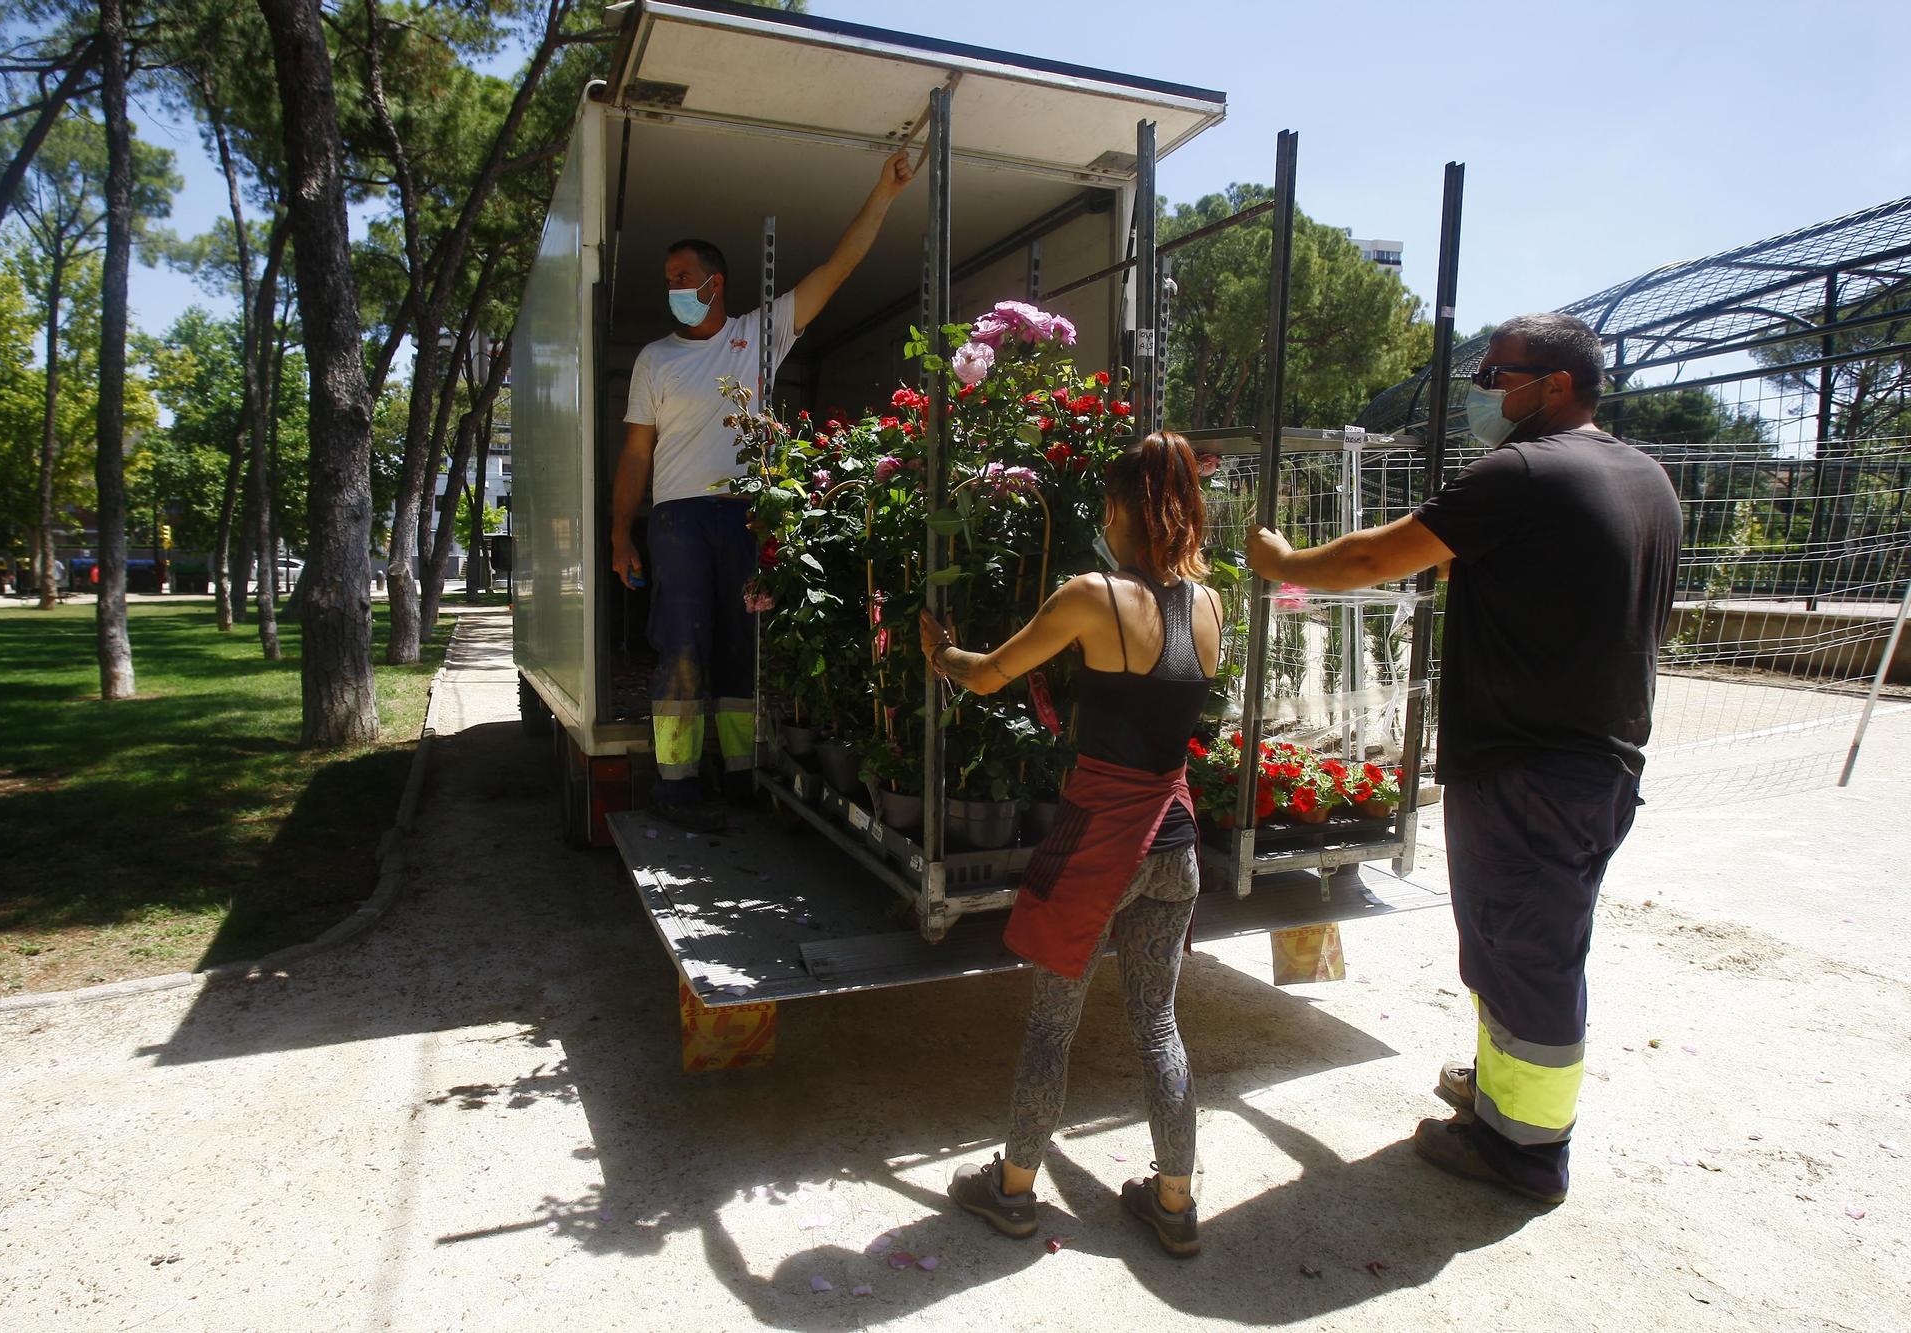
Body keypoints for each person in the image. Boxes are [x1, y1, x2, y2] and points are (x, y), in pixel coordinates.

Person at [1244, 312, 1682, 1205]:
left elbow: (1376, 554)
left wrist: (1284, 559)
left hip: (1530, 767)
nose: (1484, 389)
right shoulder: (1647, 478)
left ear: (1555, 384)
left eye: (1496, 372)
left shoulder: (1524, 471)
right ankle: (1499, 1092)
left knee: (1526, 953)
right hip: (1600, 764)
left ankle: (1522, 1151)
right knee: (1520, 939)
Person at [921, 432, 1224, 1258]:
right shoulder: (1208, 603)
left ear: (1122, 507)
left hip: (1103, 844)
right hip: (1178, 838)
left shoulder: (1092, 594)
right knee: (1159, 1022)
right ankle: (1174, 1200)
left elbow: (987, 674)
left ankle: (1013, 1190)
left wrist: (939, 651)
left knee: (1053, 1027)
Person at [611, 149, 917, 832]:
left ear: (715, 283)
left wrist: (885, 193)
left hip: (747, 517)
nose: (673, 287)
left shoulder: (758, 335)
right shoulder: (654, 359)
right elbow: (636, 454)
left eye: (682, 277)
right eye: (668, 279)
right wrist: (618, 532)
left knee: (742, 652)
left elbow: (838, 268)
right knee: (682, 648)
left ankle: (743, 772)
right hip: (677, 522)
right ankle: (677, 779)